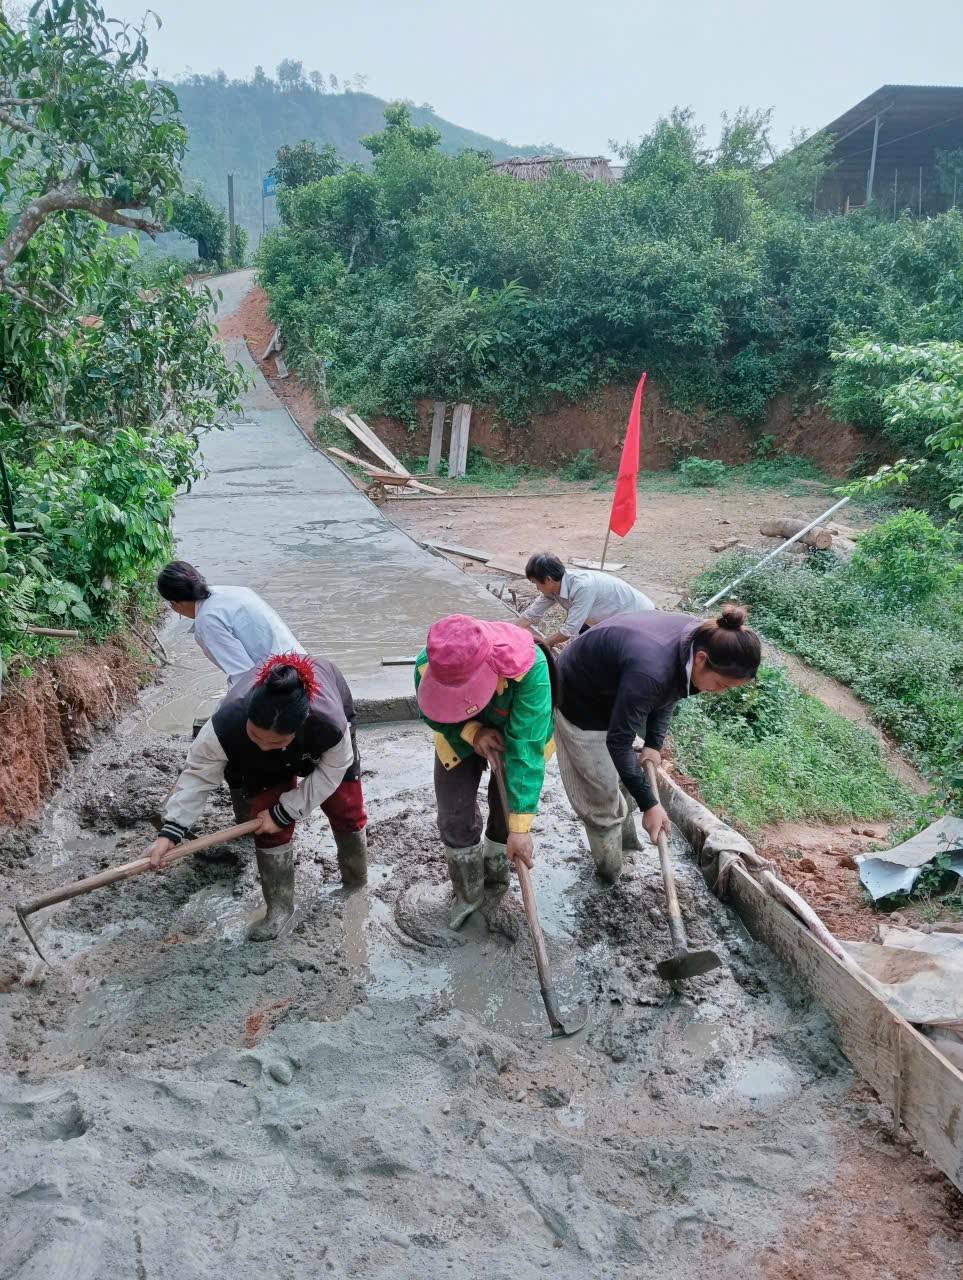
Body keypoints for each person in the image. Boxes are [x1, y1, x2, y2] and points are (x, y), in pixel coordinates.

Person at [148, 653, 367, 941]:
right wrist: (171, 831)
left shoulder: (329, 725)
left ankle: (355, 879)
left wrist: (286, 811)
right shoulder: (226, 723)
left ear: (298, 728)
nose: (264, 746)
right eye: (255, 735)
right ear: (248, 719)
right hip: (262, 763)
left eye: (275, 741)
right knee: (267, 826)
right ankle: (279, 909)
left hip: (322, 748)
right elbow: (198, 776)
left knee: (345, 807)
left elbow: (331, 771)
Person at [554, 605, 761, 882]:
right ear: (701, 659)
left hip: (617, 688)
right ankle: (610, 873)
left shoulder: (698, 639)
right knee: (601, 794)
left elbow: (671, 688)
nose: (720, 692)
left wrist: (653, 743)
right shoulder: (652, 667)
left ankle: (627, 849)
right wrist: (651, 804)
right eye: (721, 684)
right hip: (579, 694)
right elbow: (619, 740)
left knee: (623, 781)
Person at [414, 614, 556, 929]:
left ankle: (496, 879)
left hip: (516, 734)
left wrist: (520, 828)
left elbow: (527, 748)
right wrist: (473, 732)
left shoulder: (531, 671)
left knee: (507, 814)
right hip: (459, 731)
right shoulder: (430, 664)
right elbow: (431, 713)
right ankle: (467, 893)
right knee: (454, 813)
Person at [156, 560, 304, 686]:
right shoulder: (233, 592)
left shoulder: (207, 621)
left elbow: (244, 677)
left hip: (283, 684)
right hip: (304, 667)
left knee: (223, 715)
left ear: (176, 603)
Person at [517, 552, 655, 650]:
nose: (536, 588)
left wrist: (543, 644)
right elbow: (531, 614)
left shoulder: (582, 587)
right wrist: (508, 633)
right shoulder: (553, 588)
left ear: (548, 579)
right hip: (606, 619)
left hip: (637, 617)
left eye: (536, 583)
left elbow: (569, 630)